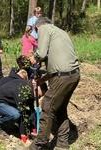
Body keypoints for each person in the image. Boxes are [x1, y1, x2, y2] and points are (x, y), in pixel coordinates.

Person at [21, 17, 80, 150]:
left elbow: (40, 54)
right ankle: (62, 144)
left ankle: (38, 145)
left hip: (63, 78)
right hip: (73, 75)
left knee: (47, 104)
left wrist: (34, 57)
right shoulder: (61, 32)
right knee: (59, 108)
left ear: (37, 27)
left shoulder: (45, 28)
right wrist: (41, 80)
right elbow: (58, 67)